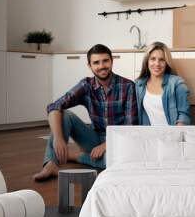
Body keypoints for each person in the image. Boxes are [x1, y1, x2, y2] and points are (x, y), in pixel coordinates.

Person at [33, 44, 138, 181]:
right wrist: (58, 138)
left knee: (115, 162)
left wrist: (106, 145)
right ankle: (50, 164)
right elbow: (54, 106)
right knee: (64, 115)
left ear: (112, 61)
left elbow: (131, 127)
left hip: (118, 142)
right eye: (96, 62)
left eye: (105, 61)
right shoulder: (86, 85)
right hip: (93, 139)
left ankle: (76, 156)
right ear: (90, 66)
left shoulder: (128, 86)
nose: (102, 66)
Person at [135, 41, 190, 126]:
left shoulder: (177, 84)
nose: (157, 64)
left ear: (167, 63)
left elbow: (183, 116)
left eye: (162, 60)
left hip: (173, 135)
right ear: (147, 61)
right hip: (149, 136)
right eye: (153, 59)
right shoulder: (139, 85)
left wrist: (176, 136)